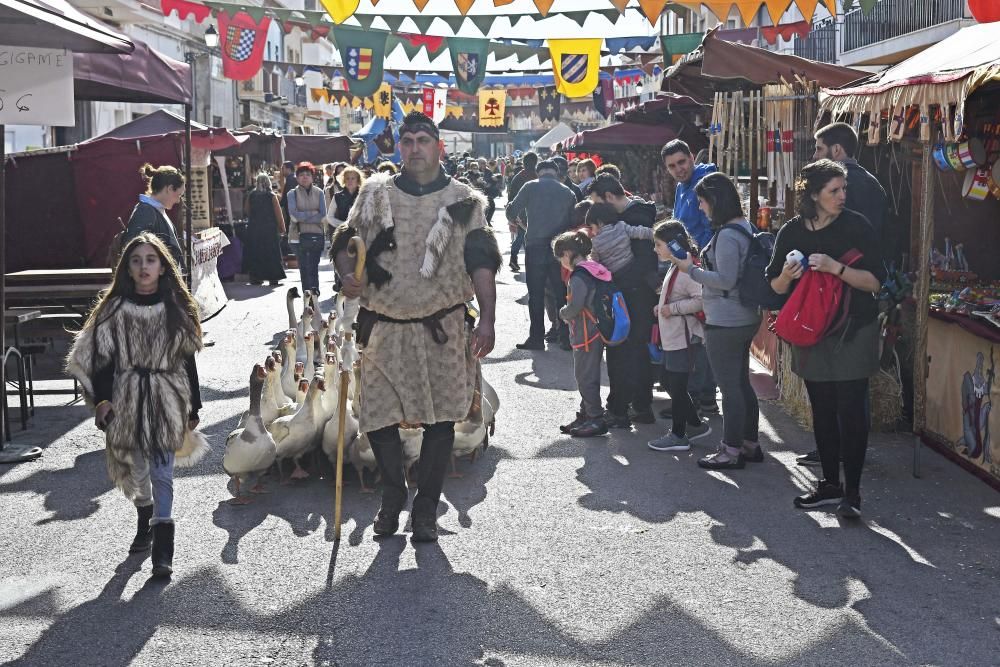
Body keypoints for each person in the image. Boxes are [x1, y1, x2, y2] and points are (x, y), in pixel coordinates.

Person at [331, 111, 500, 542]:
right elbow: (346, 243)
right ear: (399, 147)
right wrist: (346, 273)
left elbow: (481, 262)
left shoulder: (464, 200)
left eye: (424, 140)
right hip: (384, 327)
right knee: (379, 420)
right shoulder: (374, 194)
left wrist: (490, 320)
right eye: (408, 141)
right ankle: (391, 499)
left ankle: (425, 510)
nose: (415, 148)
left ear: (439, 146)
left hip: (440, 328)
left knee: (441, 422)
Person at [66, 232, 202, 578]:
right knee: (138, 473)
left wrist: (193, 407)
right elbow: (99, 360)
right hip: (126, 399)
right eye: (136, 260)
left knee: (163, 473)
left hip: (165, 398)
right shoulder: (114, 311)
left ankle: (163, 550)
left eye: (150, 260)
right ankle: (145, 514)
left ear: (162, 267)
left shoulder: (174, 308)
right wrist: (102, 400)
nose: (144, 267)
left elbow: (188, 361)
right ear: (127, 268)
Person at [767, 159, 885, 518]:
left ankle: (853, 493)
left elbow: (876, 283)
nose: (842, 196)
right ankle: (830, 484)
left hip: (853, 329)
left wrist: (837, 268)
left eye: (844, 188)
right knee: (822, 408)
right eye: (834, 190)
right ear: (813, 194)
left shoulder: (857, 226)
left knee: (851, 411)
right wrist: (787, 275)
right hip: (811, 331)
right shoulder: (791, 231)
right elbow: (773, 287)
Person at [665, 173, 763, 469]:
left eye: (702, 201)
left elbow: (724, 280)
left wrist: (689, 269)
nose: (700, 207)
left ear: (714, 201)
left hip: (726, 321)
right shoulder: (743, 227)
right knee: (742, 385)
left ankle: (730, 450)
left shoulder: (727, 235)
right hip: (743, 316)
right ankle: (749, 443)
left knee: (730, 388)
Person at [588, 174, 658, 426]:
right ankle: (638, 407)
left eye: (598, 203)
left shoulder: (631, 219)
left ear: (609, 198)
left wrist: (611, 279)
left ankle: (622, 408)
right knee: (635, 351)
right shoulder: (633, 215)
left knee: (623, 351)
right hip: (635, 294)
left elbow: (642, 263)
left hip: (633, 295)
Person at [662, 139, 719, 415]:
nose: (678, 169)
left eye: (682, 162)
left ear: (691, 158)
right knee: (696, 333)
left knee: (702, 335)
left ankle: (702, 396)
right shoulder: (682, 187)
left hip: (705, 268)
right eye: (672, 166)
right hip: (690, 266)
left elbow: (713, 227)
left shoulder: (705, 180)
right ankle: (697, 395)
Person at [647, 220, 712, 452]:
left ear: (674, 244)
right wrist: (662, 306)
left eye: (659, 244)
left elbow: (701, 299)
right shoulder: (677, 266)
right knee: (669, 380)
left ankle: (678, 434)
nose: (655, 249)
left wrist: (671, 309)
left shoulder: (686, 268)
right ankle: (693, 425)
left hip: (684, 337)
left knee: (676, 384)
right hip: (674, 336)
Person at [505, 159, 578, 351]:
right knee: (561, 293)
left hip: (535, 246)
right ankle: (565, 337)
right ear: (555, 173)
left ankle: (536, 338)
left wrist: (518, 220)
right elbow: (574, 221)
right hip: (560, 250)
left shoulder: (530, 187)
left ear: (539, 172)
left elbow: (512, 211)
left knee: (536, 294)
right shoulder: (567, 192)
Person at [554, 230, 610, 438]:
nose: (562, 263)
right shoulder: (594, 267)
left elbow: (575, 305)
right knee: (588, 374)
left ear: (568, 253)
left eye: (561, 258)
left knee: (585, 377)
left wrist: (562, 313)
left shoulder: (578, 276)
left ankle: (595, 418)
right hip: (597, 329)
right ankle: (585, 414)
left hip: (585, 333)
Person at [124, 164, 186, 269]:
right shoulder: (145, 212)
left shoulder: (157, 210)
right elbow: (134, 254)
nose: (178, 200)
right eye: (179, 195)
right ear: (170, 189)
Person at [287, 161, 327, 296]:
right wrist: (313, 214)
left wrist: (303, 216)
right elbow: (293, 214)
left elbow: (323, 215)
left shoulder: (319, 192)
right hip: (297, 236)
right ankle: (307, 300)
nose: (305, 177)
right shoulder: (292, 194)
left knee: (314, 268)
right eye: (301, 174)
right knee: (304, 269)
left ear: (312, 177)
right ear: (297, 178)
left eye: (308, 174)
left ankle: (315, 297)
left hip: (316, 235)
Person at [586, 202, 654, 275]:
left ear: (599, 222)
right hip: (632, 264)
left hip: (616, 275)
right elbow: (640, 232)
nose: (592, 232)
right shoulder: (621, 226)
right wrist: (654, 233)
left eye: (592, 227)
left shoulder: (595, 242)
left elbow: (594, 262)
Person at [244, 173, 287, 286]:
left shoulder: (251, 195)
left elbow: (247, 211)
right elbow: (278, 214)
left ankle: (256, 277)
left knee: (256, 252)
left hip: (254, 229)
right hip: (270, 229)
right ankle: (273, 277)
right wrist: (282, 228)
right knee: (271, 253)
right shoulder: (271, 196)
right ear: (268, 182)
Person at [506, 152, 538, 272]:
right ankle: (517, 260)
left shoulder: (518, 177)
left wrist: (512, 214)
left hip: (521, 212)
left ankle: (515, 259)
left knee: (522, 237)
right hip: (531, 212)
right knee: (523, 237)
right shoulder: (537, 176)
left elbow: (511, 196)